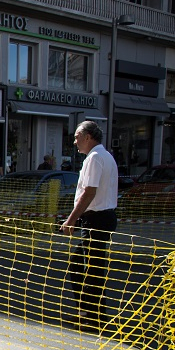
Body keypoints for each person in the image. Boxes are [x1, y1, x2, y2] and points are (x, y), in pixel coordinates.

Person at [61, 120, 118, 328]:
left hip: (97, 218)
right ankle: (90, 313)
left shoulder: (94, 158)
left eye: (77, 137)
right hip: (101, 217)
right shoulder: (104, 156)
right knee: (86, 266)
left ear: (87, 137)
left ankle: (93, 317)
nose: (75, 142)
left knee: (89, 269)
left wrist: (72, 219)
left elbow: (89, 192)